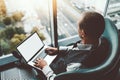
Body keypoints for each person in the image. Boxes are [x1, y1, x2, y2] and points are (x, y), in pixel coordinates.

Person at [34, 11, 110, 80]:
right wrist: (58, 50)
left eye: (78, 26)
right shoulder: (102, 40)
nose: (77, 28)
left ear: (83, 33)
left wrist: (44, 67)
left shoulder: (76, 67)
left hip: (55, 73)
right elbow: (78, 49)